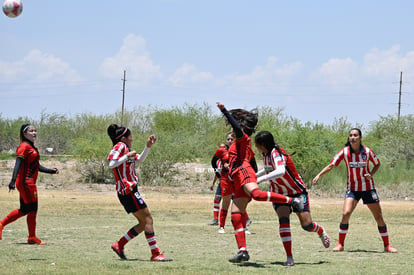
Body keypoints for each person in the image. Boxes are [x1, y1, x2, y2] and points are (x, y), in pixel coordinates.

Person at [216, 102, 304, 263]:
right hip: (237, 177)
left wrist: (225, 112)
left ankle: (292, 200)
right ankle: (242, 251)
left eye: (236, 129)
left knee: (256, 194)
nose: (232, 133)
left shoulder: (243, 139)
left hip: (244, 172)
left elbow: (236, 128)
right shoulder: (241, 144)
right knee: (236, 215)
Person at [312, 128, 397, 253]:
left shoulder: (368, 152)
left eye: (355, 135)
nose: (352, 137)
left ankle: (387, 245)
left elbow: (377, 163)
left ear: (360, 138)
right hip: (353, 189)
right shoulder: (344, 152)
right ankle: (340, 244)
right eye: (350, 135)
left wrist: (371, 174)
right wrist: (319, 175)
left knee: (378, 217)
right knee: (346, 213)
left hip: (368, 188)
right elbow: (331, 165)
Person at [254, 130, 330, 266]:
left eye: (257, 144)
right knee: (283, 221)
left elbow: (281, 170)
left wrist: (260, 180)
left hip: (296, 192)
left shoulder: (276, 153)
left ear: (264, 144)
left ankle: (320, 230)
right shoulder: (265, 154)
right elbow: (267, 169)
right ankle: (289, 257)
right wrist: (254, 177)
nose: (256, 147)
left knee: (307, 225)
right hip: (279, 193)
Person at [107, 124, 172, 261]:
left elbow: (140, 160)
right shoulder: (120, 146)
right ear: (124, 138)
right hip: (127, 190)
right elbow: (111, 164)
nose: (132, 139)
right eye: (130, 136)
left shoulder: (126, 148)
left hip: (130, 190)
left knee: (143, 223)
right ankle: (155, 254)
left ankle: (119, 244)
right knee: (148, 219)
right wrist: (126, 156)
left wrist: (148, 146)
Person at [0, 124, 59, 245]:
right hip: (26, 183)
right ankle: (32, 237)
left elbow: (36, 167)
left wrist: (51, 171)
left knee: (24, 209)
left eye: (35, 130)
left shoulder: (31, 147)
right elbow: (18, 163)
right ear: (24, 134)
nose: (34, 133)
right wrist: (12, 181)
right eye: (31, 131)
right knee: (33, 210)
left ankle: (1, 224)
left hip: (27, 183)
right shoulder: (24, 146)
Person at [210, 133, 252, 234]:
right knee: (225, 202)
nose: (229, 140)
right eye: (228, 139)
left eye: (231, 139)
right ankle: (221, 227)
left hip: (237, 179)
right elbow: (213, 161)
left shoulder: (240, 150)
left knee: (240, 202)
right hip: (226, 179)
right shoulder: (221, 151)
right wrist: (218, 172)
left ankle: (244, 227)